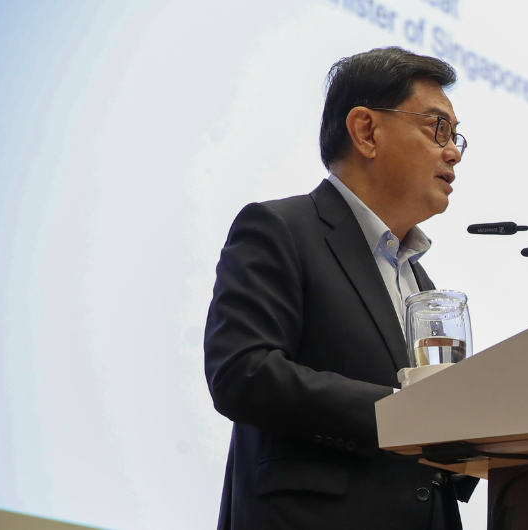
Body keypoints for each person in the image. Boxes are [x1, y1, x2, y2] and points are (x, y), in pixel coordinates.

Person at [204, 47, 475, 530]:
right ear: (366, 131)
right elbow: (242, 373)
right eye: (437, 129)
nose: (452, 151)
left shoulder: (418, 280)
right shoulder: (280, 229)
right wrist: (402, 413)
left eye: (455, 137)